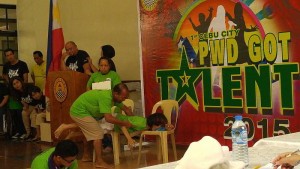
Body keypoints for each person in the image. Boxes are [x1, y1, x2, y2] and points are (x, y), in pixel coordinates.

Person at [69, 83, 133, 168]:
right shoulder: (106, 97)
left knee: (92, 129)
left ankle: (66, 128)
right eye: (123, 97)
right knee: (98, 133)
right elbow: (108, 119)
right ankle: (99, 162)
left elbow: (126, 109)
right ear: (116, 94)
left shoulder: (115, 99)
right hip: (79, 112)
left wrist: (133, 120)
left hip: (88, 113)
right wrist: (125, 123)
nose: (124, 99)